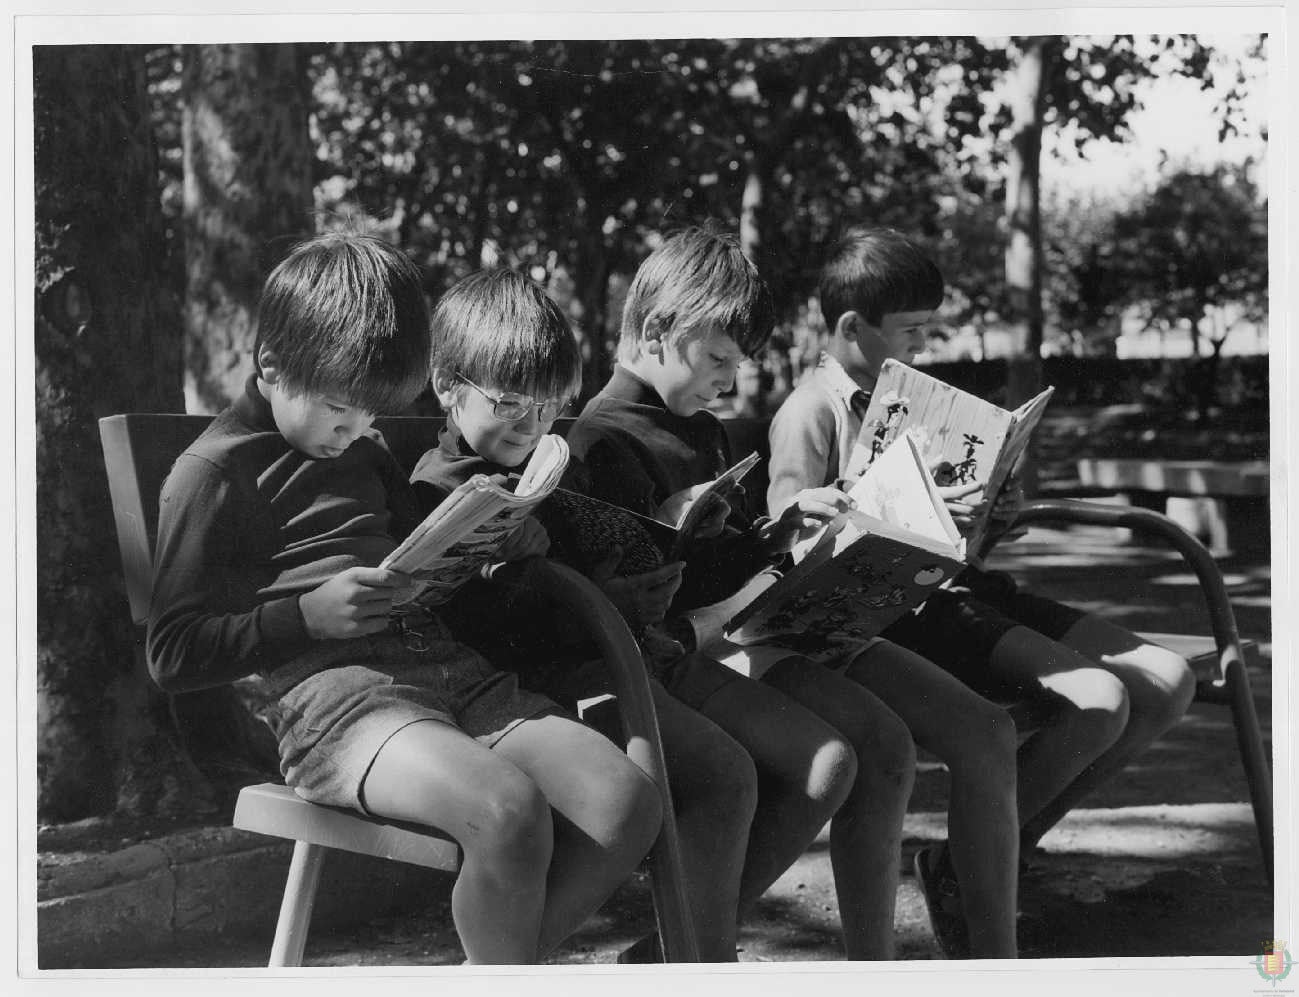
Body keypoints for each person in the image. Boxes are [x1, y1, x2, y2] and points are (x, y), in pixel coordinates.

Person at [146, 233, 662, 965]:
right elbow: (172, 654)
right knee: (507, 811)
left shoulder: (359, 448)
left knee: (625, 800)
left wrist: (483, 544)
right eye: (340, 410)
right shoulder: (213, 475)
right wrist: (303, 614)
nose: (358, 431)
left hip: (442, 667)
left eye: (371, 416)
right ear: (269, 366)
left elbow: (414, 547)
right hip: (332, 703)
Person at [563, 225, 1014, 959]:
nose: (728, 382)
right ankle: (689, 945)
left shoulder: (698, 430)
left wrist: (780, 537)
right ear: (654, 332)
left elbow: (728, 563)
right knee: (834, 754)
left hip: (739, 636)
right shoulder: (601, 440)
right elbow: (635, 597)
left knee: (880, 744)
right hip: (679, 659)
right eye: (716, 359)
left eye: (735, 364)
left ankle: (815, 955)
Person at [409, 267, 857, 963]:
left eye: (548, 406)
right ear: (447, 387)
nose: (532, 426)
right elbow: (474, 629)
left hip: (623, 650)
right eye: (510, 403)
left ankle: (691, 956)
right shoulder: (439, 488)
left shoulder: (543, 462)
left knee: (772, 768)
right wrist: (569, 588)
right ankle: (528, 968)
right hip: (555, 681)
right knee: (716, 775)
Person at [767, 224, 1196, 951]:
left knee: (1166, 679)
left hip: (961, 586)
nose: (922, 348)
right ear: (849, 327)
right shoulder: (811, 411)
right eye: (910, 331)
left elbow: (956, 544)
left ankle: (982, 854)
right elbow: (790, 540)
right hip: (908, 609)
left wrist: (989, 507)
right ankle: (977, 883)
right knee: (1100, 699)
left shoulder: (902, 396)